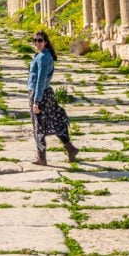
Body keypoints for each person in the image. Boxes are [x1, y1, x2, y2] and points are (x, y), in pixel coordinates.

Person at [28, 30, 79, 165]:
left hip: (41, 94)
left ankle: (41, 158)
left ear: (45, 42)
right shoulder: (42, 55)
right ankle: (71, 148)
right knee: (55, 122)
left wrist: (36, 101)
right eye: (35, 40)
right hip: (46, 93)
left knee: (38, 126)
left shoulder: (44, 58)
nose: (37, 43)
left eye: (40, 40)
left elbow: (40, 80)